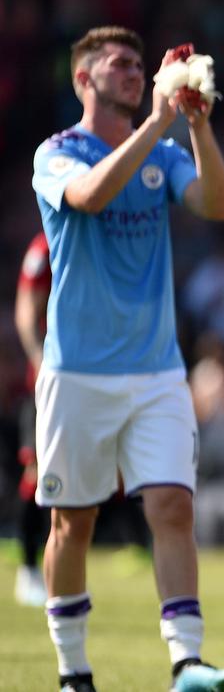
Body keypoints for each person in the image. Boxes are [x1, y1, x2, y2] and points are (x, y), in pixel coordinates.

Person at [30, 27, 224, 692]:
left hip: (157, 369)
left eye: (137, 65)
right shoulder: (57, 153)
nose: (132, 72)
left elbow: (215, 203)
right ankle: (73, 671)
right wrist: (155, 124)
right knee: (74, 523)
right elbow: (91, 197)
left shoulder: (165, 152)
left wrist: (197, 128)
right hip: (78, 370)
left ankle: (187, 663)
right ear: (83, 79)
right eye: (118, 64)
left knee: (174, 508)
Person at [14, 232, 52, 608]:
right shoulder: (44, 249)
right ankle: (27, 571)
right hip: (49, 385)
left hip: (92, 381)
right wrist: (39, 359)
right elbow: (26, 310)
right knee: (37, 473)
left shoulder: (99, 237)